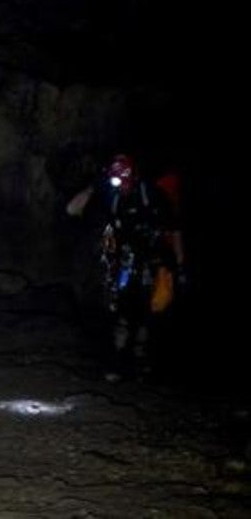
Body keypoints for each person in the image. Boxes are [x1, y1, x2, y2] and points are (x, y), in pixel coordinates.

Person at [66, 154, 185, 380]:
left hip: (153, 258)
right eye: (116, 182)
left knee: (152, 309)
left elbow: (174, 228)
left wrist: (179, 265)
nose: (121, 187)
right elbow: (72, 209)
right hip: (126, 259)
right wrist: (94, 187)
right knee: (120, 308)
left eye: (124, 182)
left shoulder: (152, 194)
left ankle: (143, 360)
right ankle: (118, 359)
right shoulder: (112, 195)